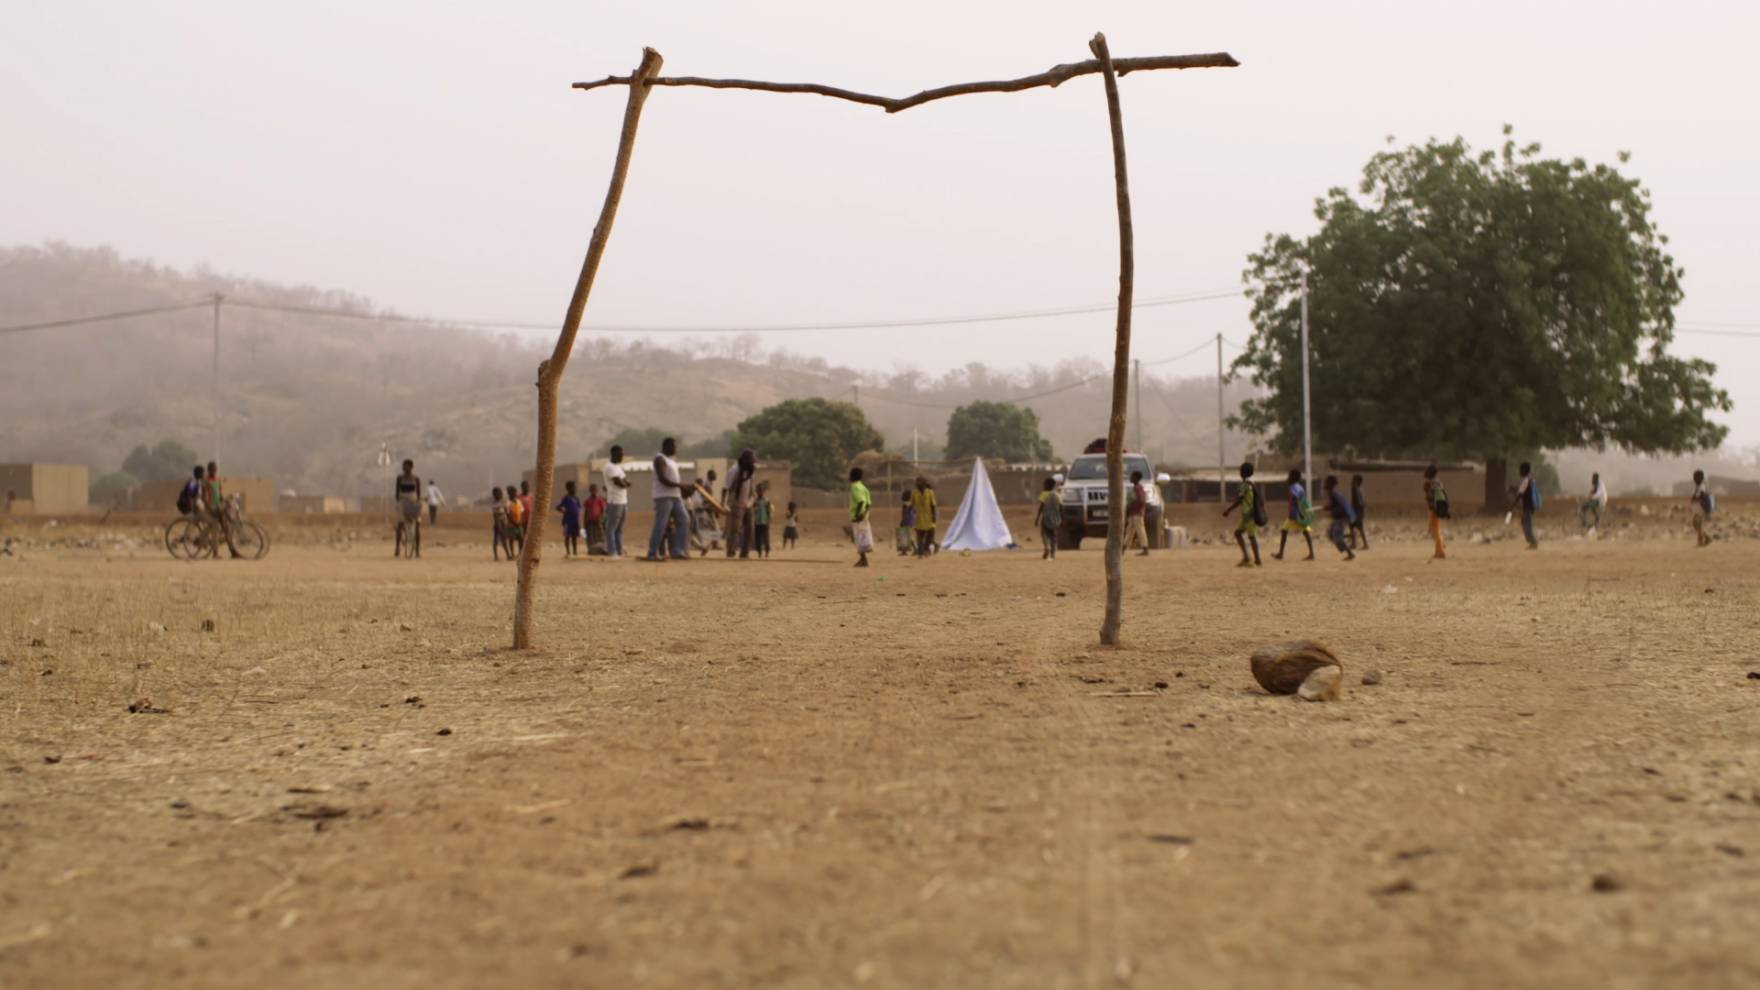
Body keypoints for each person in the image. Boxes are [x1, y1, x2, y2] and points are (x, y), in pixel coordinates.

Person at [645, 437, 692, 561]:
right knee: (661, 524)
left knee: (684, 520)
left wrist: (683, 487)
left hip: (675, 495)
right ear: (667, 446)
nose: (676, 449)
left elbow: (673, 479)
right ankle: (652, 553)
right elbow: (663, 479)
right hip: (663, 496)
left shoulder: (671, 460)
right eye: (674, 447)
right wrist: (681, 485)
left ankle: (677, 550)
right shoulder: (659, 459)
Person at [1222, 462, 1263, 568]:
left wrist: (1228, 510)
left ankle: (1257, 559)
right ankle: (1247, 557)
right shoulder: (1251, 483)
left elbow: (1239, 500)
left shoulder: (1245, 485)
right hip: (1246, 515)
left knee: (1251, 536)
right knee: (1238, 533)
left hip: (1249, 515)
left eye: (1240, 471)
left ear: (1242, 473)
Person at [1272, 468, 1315, 561]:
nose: (1288, 477)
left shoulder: (1293, 487)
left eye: (1290, 476)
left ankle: (1281, 553)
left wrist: (1299, 513)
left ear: (1293, 477)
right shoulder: (1300, 487)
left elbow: (1295, 499)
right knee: (1305, 532)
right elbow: (1303, 501)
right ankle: (1311, 553)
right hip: (1299, 514)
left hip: (1295, 515)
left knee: (1284, 531)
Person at [204, 461, 243, 558]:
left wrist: (225, 500)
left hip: (218, 507)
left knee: (227, 530)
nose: (214, 471)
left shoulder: (217, 479)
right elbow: (204, 497)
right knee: (215, 530)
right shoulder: (205, 480)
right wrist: (209, 508)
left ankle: (233, 552)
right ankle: (215, 553)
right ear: (209, 470)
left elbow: (220, 494)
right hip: (211, 508)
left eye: (215, 469)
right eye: (212, 469)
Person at [724, 450, 758, 559]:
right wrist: (723, 503)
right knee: (735, 530)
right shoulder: (734, 470)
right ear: (744, 459)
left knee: (749, 529)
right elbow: (726, 487)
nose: (752, 462)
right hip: (736, 504)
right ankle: (731, 551)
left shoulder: (751, 471)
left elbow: (752, 490)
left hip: (748, 504)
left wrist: (751, 502)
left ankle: (745, 552)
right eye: (751, 460)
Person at [602, 446, 630, 558]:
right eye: (620, 454)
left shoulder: (618, 467)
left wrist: (625, 482)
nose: (622, 456)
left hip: (623, 500)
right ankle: (612, 552)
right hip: (615, 501)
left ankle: (619, 551)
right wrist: (625, 483)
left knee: (620, 529)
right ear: (614, 453)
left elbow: (625, 481)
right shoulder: (609, 467)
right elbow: (621, 483)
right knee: (611, 528)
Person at [1322, 475, 1357, 561]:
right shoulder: (1332, 493)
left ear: (1331, 484)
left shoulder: (1333, 493)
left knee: (1337, 537)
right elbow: (1335, 505)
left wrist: (1328, 507)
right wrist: (1329, 507)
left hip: (1342, 518)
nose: (1325, 484)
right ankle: (1350, 536)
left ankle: (1350, 554)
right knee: (1330, 535)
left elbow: (1339, 505)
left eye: (1326, 482)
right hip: (1338, 518)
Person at [394, 460, 422, 558]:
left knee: (417, 525)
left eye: (406, 466)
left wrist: (417, 503)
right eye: (403, 466)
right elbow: (397, 493)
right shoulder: (399, 478)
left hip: (413, 501)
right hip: (402, 502)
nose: (404, 468)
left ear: (411, 467)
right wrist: (399, 503)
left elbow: (418, 493)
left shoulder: (416, 479)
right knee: (400, 524)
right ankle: (397, 547)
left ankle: (417, 551)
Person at [1510, 462, 1539, 550]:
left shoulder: (1526, 480)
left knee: (1527, 524)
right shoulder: (1529, 480)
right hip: (1529, 506)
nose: (1520, 471)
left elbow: (1520, 494)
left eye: (1521, 469)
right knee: (1524, 523)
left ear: (1524, 470)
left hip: (1528, 506)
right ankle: (1532, 541)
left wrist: (1513, 505)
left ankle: (1533, 542)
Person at [1423, 464, 1449, 560]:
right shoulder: (1438, 482)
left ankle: (1440, 551)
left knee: (1434, 530)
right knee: (1434, 528)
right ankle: (1441, 545)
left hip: (1433, 508)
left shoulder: (1428, 483)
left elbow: (1429, 496)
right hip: (1438, 508)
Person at [850, 467, 873, 568]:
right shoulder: (864, 487)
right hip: (865, 516)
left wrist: (858, 514)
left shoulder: (854, 486)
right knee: (862, 537)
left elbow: (861, 501)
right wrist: (865, 513)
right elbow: (868, 503)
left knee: (858, 538)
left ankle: (863, 560)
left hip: (858, 517)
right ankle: (863, 559)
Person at [1034, 477, 1062, 560]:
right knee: (1053, 537)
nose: (1043, 486)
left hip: (1045, 519)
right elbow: (1061, 508)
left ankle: (1047, 547)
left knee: (1044, 535)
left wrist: (1037, 518)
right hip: (1055, 520)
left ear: (1047, 485)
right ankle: (1053, 554)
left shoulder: (1044, 494)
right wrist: (1062, 518)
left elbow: (1041, 507)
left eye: (1044, 484)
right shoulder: (1057, 495)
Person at [1124, 470, 1151, 556]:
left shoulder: (1138, 487)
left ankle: (1145, 548)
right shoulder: (1137, 487)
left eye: (1132, 476)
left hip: (1137, 513)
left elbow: (1141, 499)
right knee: (1130, 530)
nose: (1130, 477)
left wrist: (1134, 506)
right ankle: (1123, 547)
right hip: (1134, 513)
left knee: (1140, 530)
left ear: (1136, 478)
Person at [910, 476, 937, 558]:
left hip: (928, 517)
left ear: (924, 484)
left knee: (930, 534)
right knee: (919, 536)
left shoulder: (930, 492)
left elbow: (933, 505)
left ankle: (925, 549)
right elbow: (912, 504)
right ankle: (921, 553)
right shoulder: (914, 493)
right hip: (919, 517)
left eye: (919, 483)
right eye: (917, 483)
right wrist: (908, 509)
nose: (917, 484)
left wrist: (934, 516)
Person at [557, 479, 583, 558]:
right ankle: (568, 552)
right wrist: (564, 512)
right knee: (567, 536)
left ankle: (575, 552)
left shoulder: (576, 498)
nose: (575, 489)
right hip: (568, 520)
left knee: (574, 536)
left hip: (575, 520)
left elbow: (578, 508)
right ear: (568, 489)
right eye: (573, 488)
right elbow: (558, 507)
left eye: (575, 487)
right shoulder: (566, 498)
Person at [1689, 469, 1714, 547]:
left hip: (1700, 508)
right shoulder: (1699, 486)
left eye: (1696, 477)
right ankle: (1704, 539)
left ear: (1700, 478)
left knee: (1696, 524)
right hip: (1698, 508)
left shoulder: (1702, 486)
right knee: (1697, 524)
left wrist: (1695, 498)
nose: (1694, 479)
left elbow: (1702, 496)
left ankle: (1705, 539)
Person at [583, 483, 608, 553]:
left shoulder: (600, 500)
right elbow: (586, 511)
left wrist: (600, 518)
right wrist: (585, 521)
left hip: (598, 521)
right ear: (590, 491)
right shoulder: (588, 500)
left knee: (600, 535)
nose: (594, 492)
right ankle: (590, 550)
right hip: (589, 521)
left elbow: (603, 510)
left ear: (597, 491)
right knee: (590, 535)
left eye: (595, 490)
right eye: (592, 490)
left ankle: (602, 549)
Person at [752, 481, 774, 559]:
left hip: (764, 522)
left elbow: (769, 511)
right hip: (757, 522)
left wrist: (768, 521)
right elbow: (753, 510)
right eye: (758, 490)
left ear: (763, 491)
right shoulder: (755, 501)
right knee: (757, 538)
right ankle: (759, 552)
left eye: (761, 490)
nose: (759, 492)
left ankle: (767, 552)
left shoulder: (767, 500)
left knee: (766, 538)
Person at [505, 479, 526, 557]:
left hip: (519, 523)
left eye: (514, 492)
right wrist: (514, 523)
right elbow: (507, 514)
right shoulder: (508, 503)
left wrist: (520, 522)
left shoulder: (518, 501)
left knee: (521, 539)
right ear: (509, 493)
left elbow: (521, 511)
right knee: (512, 539)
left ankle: (520, 553)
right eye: (512, 492)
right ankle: (512, 553)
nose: (513, 493)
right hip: (511, 525)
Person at [491, 487, 512, 561]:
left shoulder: (503, 501)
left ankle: (508, 555)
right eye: (498, 494)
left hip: (503, 522)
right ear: (494, 495)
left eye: (500, 494)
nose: (500, 495)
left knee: (504, 539)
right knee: (496, 540)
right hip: (497, 523)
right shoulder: (494, 503)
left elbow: (507, 512)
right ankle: (496, 556)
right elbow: (495, 515)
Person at [1348, 474, 1369, 550]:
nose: (1351, 481)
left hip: (1356, 512)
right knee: (1353, 526)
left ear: (1356, 481)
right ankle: (1356, 543)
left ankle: (1362, 544)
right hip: (1358, 511)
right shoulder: (1360, 489)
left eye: (1353, 479)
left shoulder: (1354, 488)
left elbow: (1358, 501)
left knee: (1356, 527)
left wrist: (1358, 506)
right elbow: (1361, 501)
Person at [896, 490, 916, 556]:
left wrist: (903, 521)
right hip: (910, 521)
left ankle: (905, 551)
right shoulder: (912, 503)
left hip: (907, 521)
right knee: (907, 536)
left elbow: (905, 514)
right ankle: (913, 549)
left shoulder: (905, 504)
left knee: (904, 536)